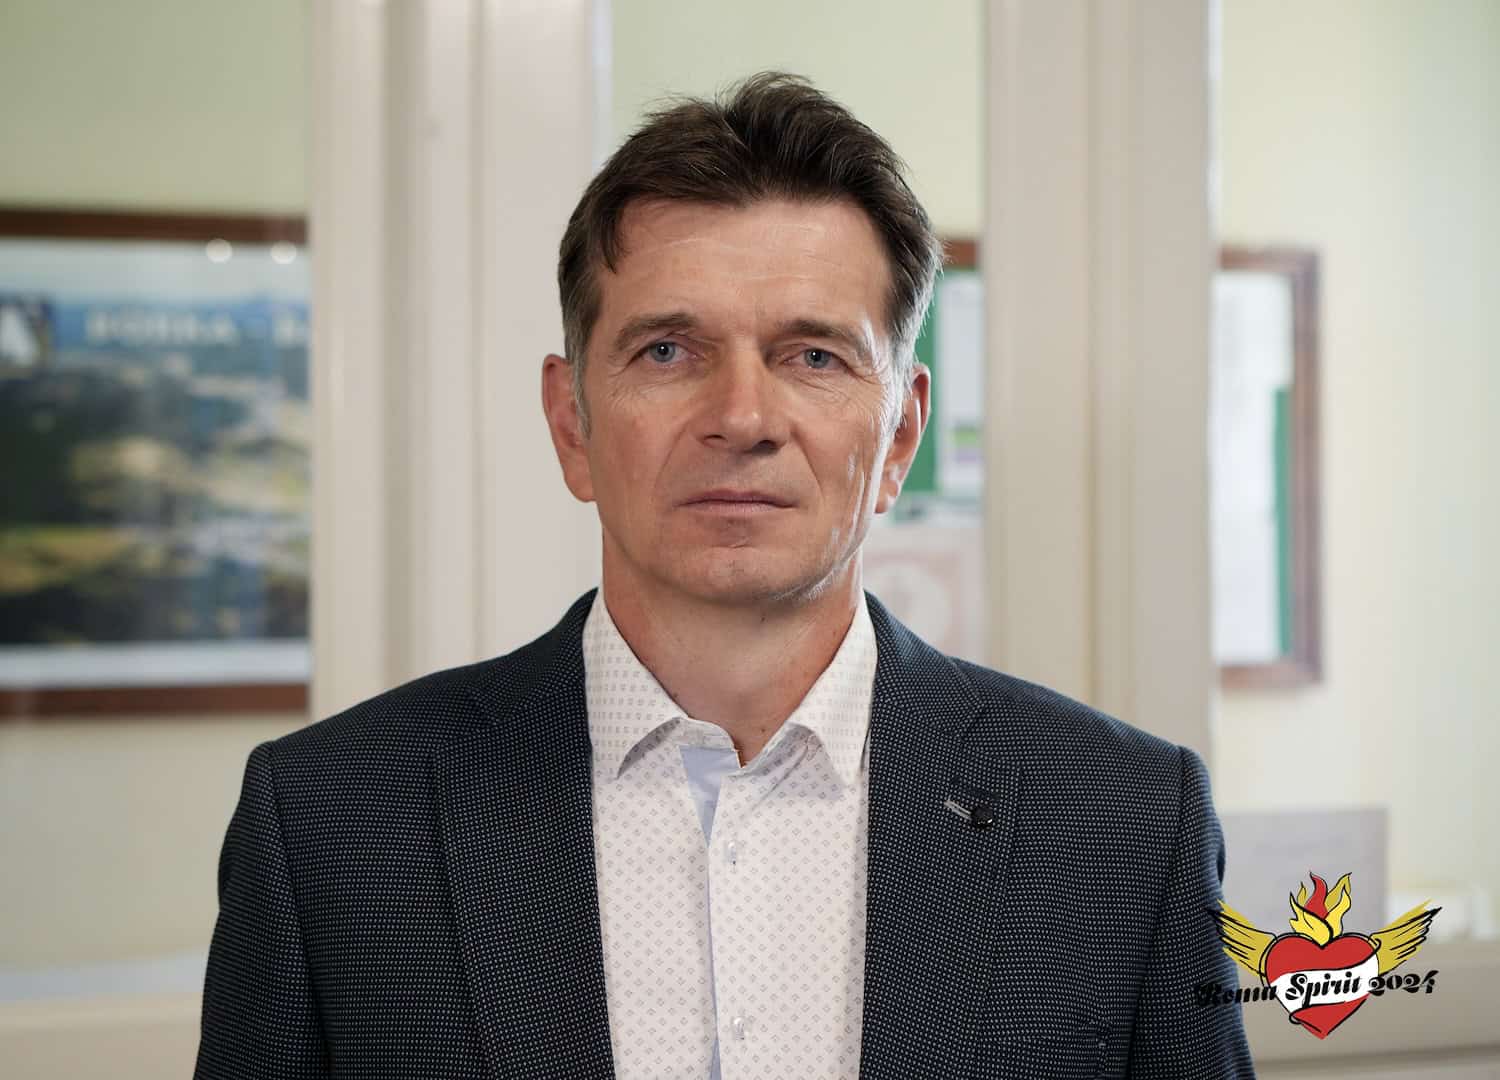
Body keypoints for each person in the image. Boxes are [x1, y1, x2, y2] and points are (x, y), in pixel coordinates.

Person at [195, 71, 1255, 1079]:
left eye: (814, 356)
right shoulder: (331, 824)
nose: (742, 419)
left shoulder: (1123, 821)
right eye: (668, 351)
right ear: (572, 424)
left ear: (899, 437)